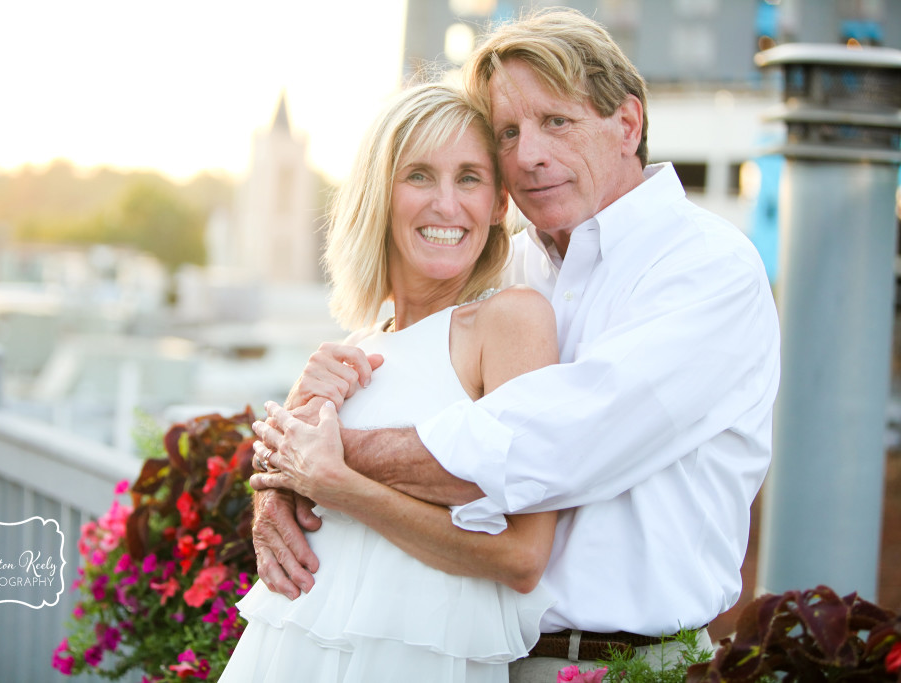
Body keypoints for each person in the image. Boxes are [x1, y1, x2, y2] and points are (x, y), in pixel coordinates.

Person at [251, 8, 781, 682]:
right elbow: (397, 375)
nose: (528, 155)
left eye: (555, 122)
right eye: (508, 132)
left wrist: (324, 456)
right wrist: (274, 475)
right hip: (483, 659)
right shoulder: (509, 267)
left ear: (628, 123)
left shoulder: (707, 270)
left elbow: (542, 447)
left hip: (628, 664)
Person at [219, 82, 563, 683]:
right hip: (289, 654)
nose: (447, 205)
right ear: (381, 194)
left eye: (470, 178)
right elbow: (286, 491)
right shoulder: (351, 350)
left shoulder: (509, 320)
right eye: (421, 176)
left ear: (500, 203)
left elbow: (522, 557)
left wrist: (338, 484)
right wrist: (279, 466)